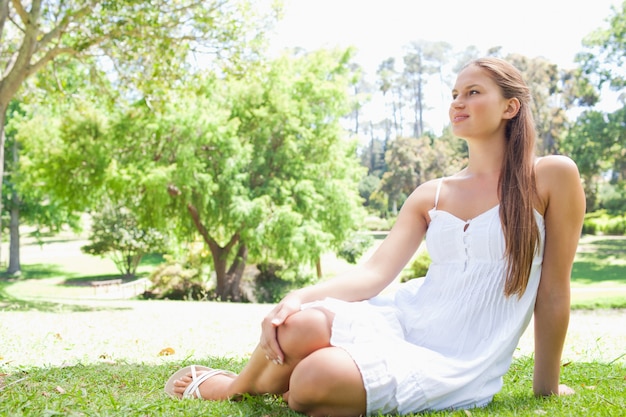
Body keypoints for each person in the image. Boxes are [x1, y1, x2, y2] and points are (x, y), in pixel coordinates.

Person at [164, 57, 586, 416]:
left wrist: (546, 387)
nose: (459, 102)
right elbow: (373, 276)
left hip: (456, 358)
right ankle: (236, 387)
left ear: (511, 107)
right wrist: (297, 297)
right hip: (404, 320)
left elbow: (552, 290)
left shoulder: (552, 176)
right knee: (299, 323)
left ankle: (304, 384)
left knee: (316, 376)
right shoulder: (431, 194)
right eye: (455, 93)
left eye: (474, 92)